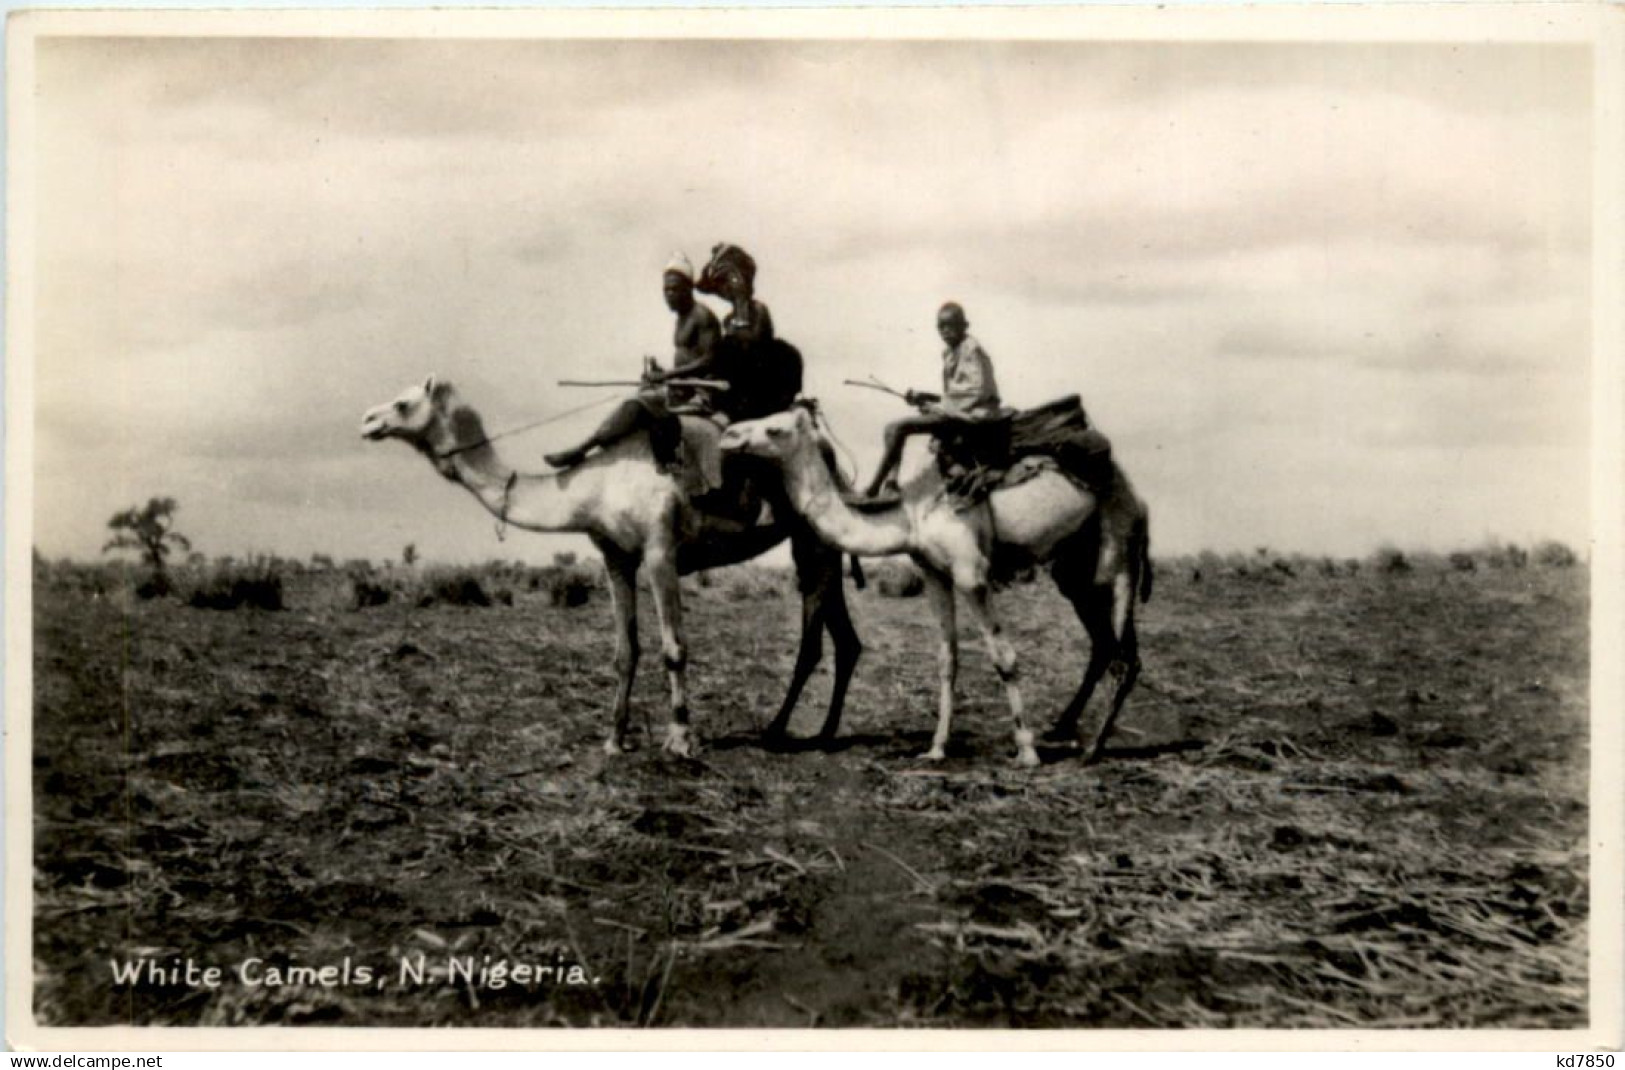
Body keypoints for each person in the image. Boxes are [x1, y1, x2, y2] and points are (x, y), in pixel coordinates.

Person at [544, 253, 722, 470]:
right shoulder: (682, 319)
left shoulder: (702, 316)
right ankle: (586, 448)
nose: (669, 295)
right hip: (680, 390)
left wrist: (666, 376)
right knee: (637, 401)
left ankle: (584, 449)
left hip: (700, 395)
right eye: (666, 290)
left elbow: (709, 361)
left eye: (675, 289)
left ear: (688, 288)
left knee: (638, 406)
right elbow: (688, 362)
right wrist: (661, 373)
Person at [859, 301, 1003, 500]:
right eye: (940, 327)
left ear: (964, 326)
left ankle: (875, 488)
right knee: (892, 428)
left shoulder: (971, 349)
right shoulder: (950, 353)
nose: (944, 331)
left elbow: (976, 392)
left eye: (949, 325)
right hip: (959, 412)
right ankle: (890, 484)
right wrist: (925, 397)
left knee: (896, 428)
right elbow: (955, 393)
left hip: (974, 417)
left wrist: (938, 407)